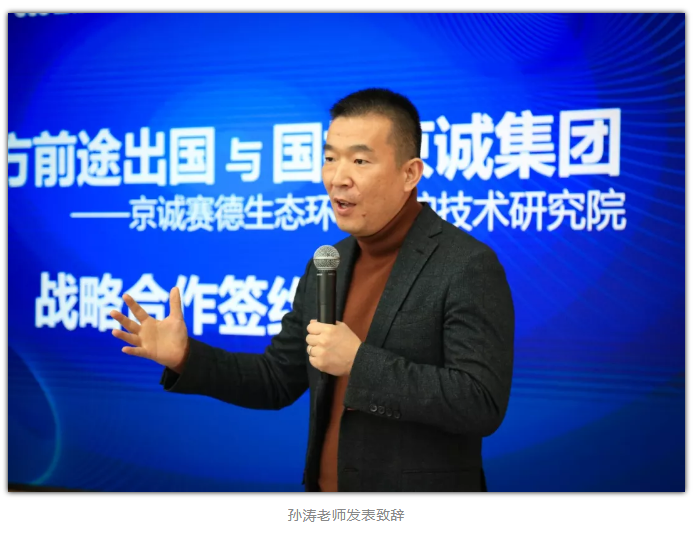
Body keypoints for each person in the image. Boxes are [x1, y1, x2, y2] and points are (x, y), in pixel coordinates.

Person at [110, 88, 515, 492]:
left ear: (410, 174)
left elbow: (480, 402)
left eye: (360, 160)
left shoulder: (465, 264)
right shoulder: (328, 264)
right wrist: (185, 356)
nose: (338, 178)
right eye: (330, 158)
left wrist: (359, 363)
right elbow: (275, 379)